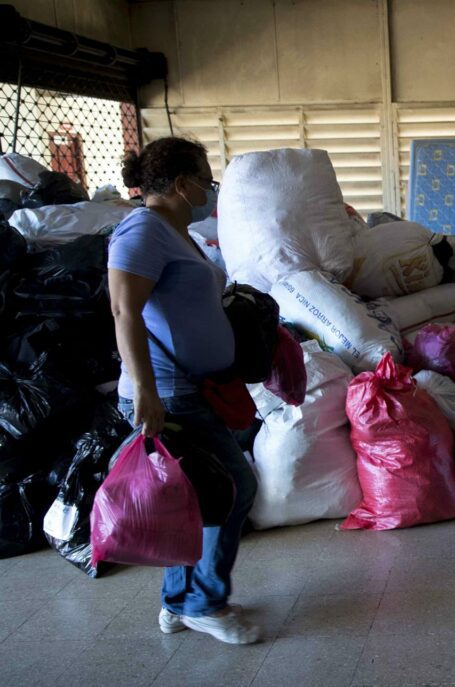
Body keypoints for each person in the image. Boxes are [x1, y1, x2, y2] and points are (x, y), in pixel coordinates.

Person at [108, 137, 260, 644]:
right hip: (170, 393)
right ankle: (202, 602)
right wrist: (147, 392)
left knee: (191, 496)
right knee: (233, 489)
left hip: (196, 388)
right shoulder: (141, 231)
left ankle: (180, 600)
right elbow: (124, 312)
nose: (211, 188)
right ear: (180, 183)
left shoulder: (177, 231)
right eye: (206, 178)